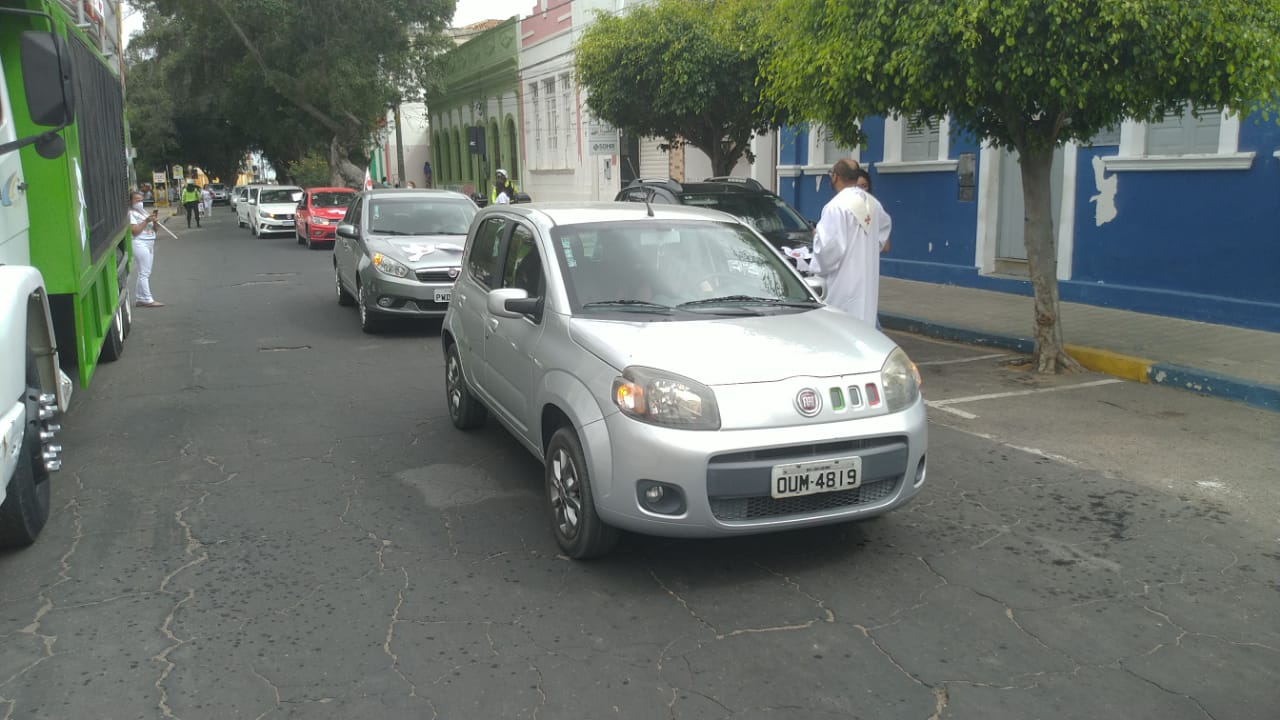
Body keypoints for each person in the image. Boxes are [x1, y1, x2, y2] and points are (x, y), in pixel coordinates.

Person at [810, 158, 892, 326]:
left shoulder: (836, 207)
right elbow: (883, 234)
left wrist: (817, 238)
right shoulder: (873, 204)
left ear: (835, 176)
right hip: (866, 287)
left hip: (841, 286)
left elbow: (828, 252)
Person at [128, 191, 164, 307]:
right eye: (137, 200)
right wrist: (146, 221)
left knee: (145, 272)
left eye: (141, 200)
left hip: (149, 242)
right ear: (131, 201)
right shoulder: (130, 214)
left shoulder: (143, 212)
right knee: (144, 272)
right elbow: (135, 231)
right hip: (139, 243)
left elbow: (155, 230)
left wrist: (155, 222)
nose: (140, 203)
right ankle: (148, 299)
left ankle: (140, 298)